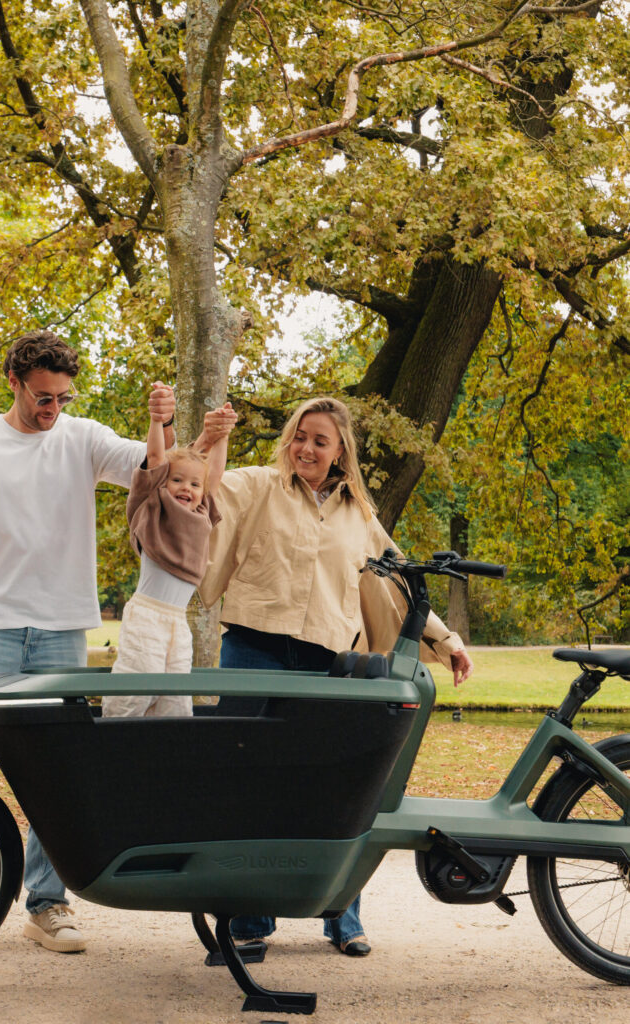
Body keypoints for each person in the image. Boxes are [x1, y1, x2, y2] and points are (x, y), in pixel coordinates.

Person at [0, 329, 176, 953]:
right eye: (43, 397)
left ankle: (47, 904)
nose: (53, 409)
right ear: (16, 383)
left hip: (60, 631)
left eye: (63, 397)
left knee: (57, 773)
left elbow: (157, 466)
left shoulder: (82, 438)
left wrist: (166, 422)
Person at [197, 396, 473, 958]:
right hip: (253, 649)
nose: (306, 448)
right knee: (249, 786)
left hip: (327, 663)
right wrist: (205, 441)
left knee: (336, 789)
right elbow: (198, 492)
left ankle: (341, 914)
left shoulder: (358, 516)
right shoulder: (256, 486)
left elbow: (401, 582)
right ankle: (250, 921)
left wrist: (445, 641)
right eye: (300, 436)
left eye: (320, 440)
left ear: (341, 450)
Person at [101, 396, 234, 717]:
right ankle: (110, 752)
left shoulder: (202, 511)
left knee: (174, 707)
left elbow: (213, 474)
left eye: (192, 483)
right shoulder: (151, 504)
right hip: (147, 617)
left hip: (178, 622)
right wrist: (157, 421)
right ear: (163, 482)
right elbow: (156, 456)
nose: (185, 487)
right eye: (176, 480)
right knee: (132, 698)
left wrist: (223, 435)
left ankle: (162, 763)